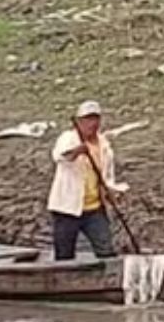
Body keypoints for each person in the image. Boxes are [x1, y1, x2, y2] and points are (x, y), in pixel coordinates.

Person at [49, 100, 127, 261]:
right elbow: (61, 156)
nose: (92, 124)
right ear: (79, 121)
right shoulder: (68, 138)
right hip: (67, 208)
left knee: (106, 249)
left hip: (94, 208)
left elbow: (107, 177)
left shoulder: (104, 145)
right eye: (88, 119)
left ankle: (108, 281)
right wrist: (77, 151)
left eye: (95, 119)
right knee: (64, 255)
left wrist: (112, 191)